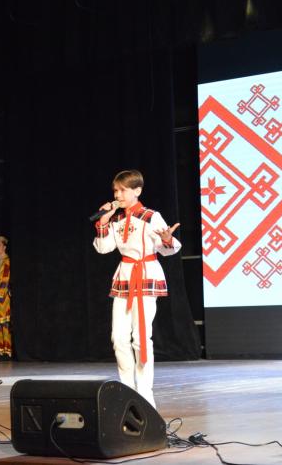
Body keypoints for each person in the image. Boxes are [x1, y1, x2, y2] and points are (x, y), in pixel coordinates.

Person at [93, 170, 181, 408]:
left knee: (141, 338)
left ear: (137, 191)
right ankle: (127, 390)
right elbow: (103, 248)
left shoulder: (151, 216)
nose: (117, 195)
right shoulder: (116, 219)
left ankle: (144, 394)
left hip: (144, 275)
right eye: (115, 190)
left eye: (122, 190)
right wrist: (103, 222)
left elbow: (168, 249)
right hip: (124, 276)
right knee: (118, 337)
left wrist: (166, 238)